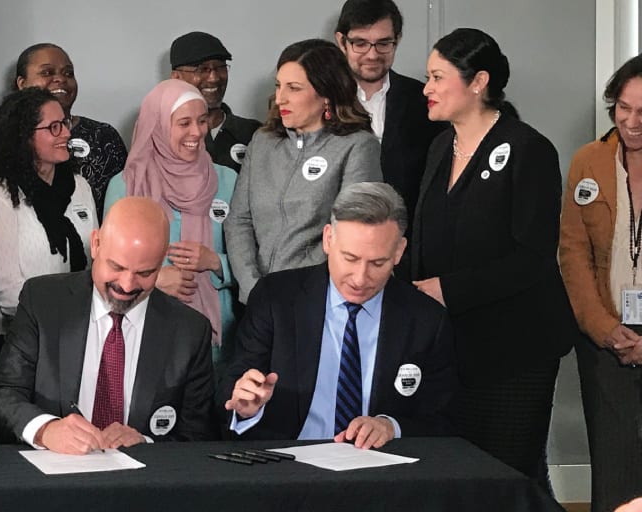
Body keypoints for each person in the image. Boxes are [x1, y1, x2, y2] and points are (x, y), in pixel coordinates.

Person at [408, 28, 576, 488]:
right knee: (457, 473)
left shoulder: (528, 148)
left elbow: (533, 257)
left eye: (438, 77)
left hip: (515, 349)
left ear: (477, 81)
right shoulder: (441, 146)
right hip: (453, 346)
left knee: (505, 476)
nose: (427, 88)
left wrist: (448, 289)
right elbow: (424, 238)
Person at [223, 183, 455, 448]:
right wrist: (245, 407)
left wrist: (392, 426)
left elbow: (444, 420)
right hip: (287, 464)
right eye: (350, 258)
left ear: (399, 251)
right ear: (328, 239)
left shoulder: (426, 319)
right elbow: (237, 383)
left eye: (377, 263)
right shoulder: (276, 298)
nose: (360, 278)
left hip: (381, 471)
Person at [0, 197, 217, 453]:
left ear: (161, 262)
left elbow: (198, 435)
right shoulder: (42, 301)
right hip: (53, 480)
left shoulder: (190, 331)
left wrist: (147, 444)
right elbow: (3, 394)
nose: (127, 285)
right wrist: (45, 430)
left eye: (145, 273)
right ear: (95, 244)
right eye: (116, 267)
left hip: (141, 483)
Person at [0, 86, 96, 424]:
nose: (66, 133)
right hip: (10, 338)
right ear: (24, 136)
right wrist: (56, 330)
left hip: (73, 330)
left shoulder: (79, 186)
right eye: (54, 127)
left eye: (65, 123)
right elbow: (6, 287)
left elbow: (95, 259)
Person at [225, 39, 382, 304]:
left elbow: (348, 231)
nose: (279, 98)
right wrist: (254, 289)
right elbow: (238, 221)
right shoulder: (263, 142)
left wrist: (291, 291)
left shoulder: (358, 146)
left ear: (326, 95)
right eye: (278, 86)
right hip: (256, 302)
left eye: (294, 88)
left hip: (315, 300)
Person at [103, 79, 237, 368]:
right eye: (184, 123)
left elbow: (252, 260)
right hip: (148, 331)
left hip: (218, 341)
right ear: (159, 125)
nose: (197, 132)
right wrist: (154, 279)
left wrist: (216, 263)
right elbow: (105, 265)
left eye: (202, 121)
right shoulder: (128, 184)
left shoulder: (227, 180)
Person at [558, 55, 642, 511]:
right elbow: (573, 251)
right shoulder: (589, 161)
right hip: (606, 333)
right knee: (613, 464)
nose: (631, 121)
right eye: (623, 108)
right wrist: (600, 326)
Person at [334, 0, 445, 220]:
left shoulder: (426, 101)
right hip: (334, 241)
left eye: (384, 43)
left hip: (403, 242)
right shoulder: (323, 98)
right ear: (341, 41)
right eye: (361, 43)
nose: (372, 55)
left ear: (398, 39)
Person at [14, 43, 127, 217]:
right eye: (47, 72)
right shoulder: (5, 139)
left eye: (68, 73)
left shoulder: (104, 136)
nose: (60, 79)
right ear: (22, 83)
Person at [169, 31, 262, 173]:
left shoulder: (254, 134)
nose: (213, 78)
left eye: (220, 67)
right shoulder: (162, 134)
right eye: (202, 69)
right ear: (176, 77)